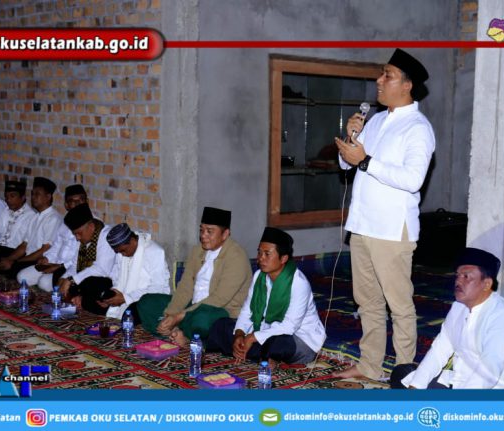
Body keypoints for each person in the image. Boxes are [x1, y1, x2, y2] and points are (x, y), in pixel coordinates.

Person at [331, 49, 435, 381]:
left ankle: (405, 372)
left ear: (406, 85)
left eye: (387, 75)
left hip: (392, 230)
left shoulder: (418, 128)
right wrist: (351, 141)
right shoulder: (375, 120)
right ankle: (370, 365)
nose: (379, 80)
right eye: (381, 73)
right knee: (368, 302)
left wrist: (365, 160)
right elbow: (347, 165)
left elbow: (412, 179)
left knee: (399, 305)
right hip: (362, 226)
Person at [392, 248, 504, 389]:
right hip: (458, 381)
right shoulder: (459, 306)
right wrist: (415, 387)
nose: (458, 281)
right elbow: (440, 350)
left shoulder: (503, 316)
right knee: (403, 373)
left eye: (466, 277)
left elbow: (487, 374)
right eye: (457, 275)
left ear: (486, 284)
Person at [207, 227, 325, 365]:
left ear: (283, 258)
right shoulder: (259, 276)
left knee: (278, 343)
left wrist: (252, 338)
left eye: (267, 254)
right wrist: (239, 334)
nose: (260, 258)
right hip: (264, 331)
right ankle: (261, 355)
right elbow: (247, 311)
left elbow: (289, 326)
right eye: (259, 252)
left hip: (298, 338)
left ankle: (264, 354)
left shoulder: (299, 284)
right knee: (221, 325)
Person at [138, 207, 252, 347]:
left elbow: (219, 299)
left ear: (225, 234)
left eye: (209, 231)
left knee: (201, 319)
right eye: (201, 230)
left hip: (220, 311)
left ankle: (187, 338)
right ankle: (175, 332)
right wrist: (170, 314)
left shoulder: (237, 256)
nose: (203, 235)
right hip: (192, 307)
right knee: (146, 302)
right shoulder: (197, 251)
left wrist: (180, 316)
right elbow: (185, 287)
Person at [17, 184, 88, 292]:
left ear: (86, 201)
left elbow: (80, 258)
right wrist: (47, 258)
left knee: (44, 283)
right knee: (22, 276)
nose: (78, 204)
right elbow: (56, 245)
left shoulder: (90, 224)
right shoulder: (65, 222)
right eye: (72, 201)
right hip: (54, 263)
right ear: (66, 205)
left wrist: (59, 266)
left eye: (81, 200)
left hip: (70, 267)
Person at [93, 223, 171, 321]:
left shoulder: (155, 252)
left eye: (123, 250)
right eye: (119, 252)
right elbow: (117, 278)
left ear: (132, 241)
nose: (122, 254)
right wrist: (112, 298)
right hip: (125, 297)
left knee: (130, 314)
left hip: (148, 301)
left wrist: (125, 298)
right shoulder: (121, 253)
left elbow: (158, 288)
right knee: (93, 298)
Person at [0, 177, 63, 278]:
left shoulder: (53, 218)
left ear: (48, 197)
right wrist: (10, 259)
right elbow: (24, 245)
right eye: (32, 194)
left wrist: (16, 261)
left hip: (40, 260)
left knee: (14, 268)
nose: (33, 197)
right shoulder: (35, 217)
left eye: (37, 194)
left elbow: (44, 250)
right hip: (28, 257)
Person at [57, 203, 116, 314]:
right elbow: (75, 265)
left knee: (90, 284)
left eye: (79, 233)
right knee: (59, 275)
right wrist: (64, 279)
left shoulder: (106, 236)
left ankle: (82, 300)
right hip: (87, 281)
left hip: (105, 283)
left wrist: (71, 280)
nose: (77, 238)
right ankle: (80, 299)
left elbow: (101, 269)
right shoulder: (84, 239)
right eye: (75, 234)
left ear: (91, 226)